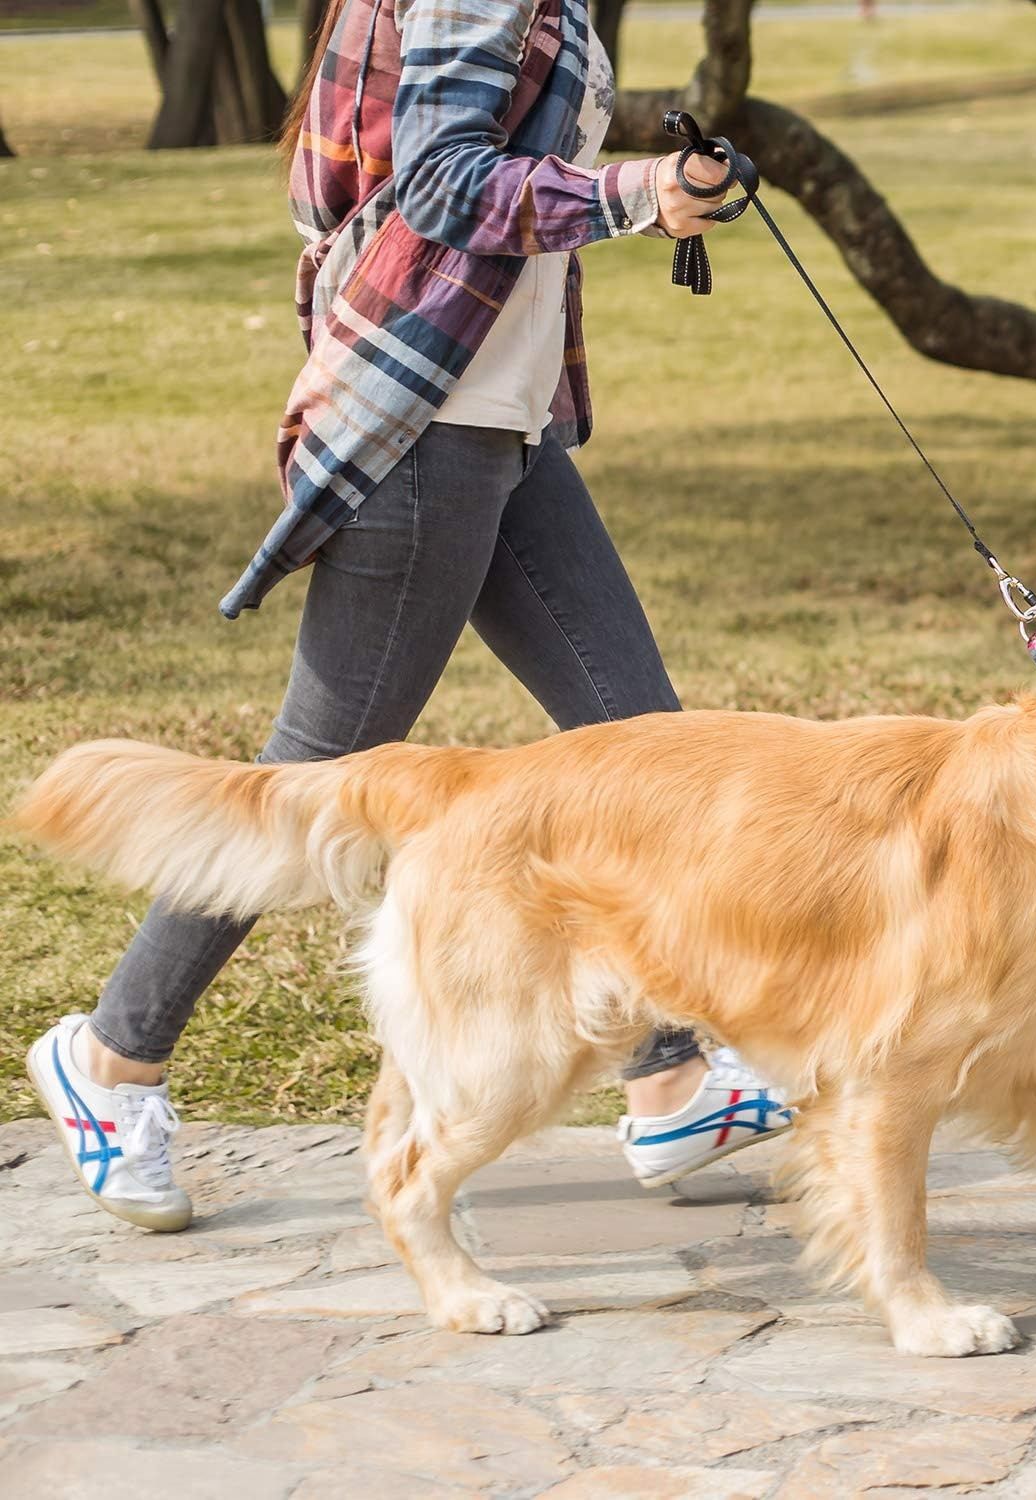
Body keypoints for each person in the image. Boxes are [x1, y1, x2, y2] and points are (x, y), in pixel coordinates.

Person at [26, 0, 792, 1233]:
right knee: (317, 768)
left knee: (642, 751)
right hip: (426, 423)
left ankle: (671, 1081)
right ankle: (110, 1063)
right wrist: (635, 192)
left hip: (505, 424)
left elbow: (473, 148)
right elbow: (442, 184)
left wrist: (666, 172)